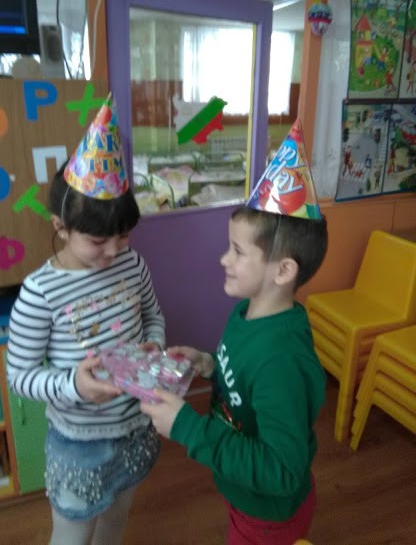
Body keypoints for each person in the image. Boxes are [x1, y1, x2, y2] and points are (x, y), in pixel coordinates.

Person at [141, 120, 328, 545]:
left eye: (238, 251)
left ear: (283, 270)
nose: (224, 259)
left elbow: (282, 471)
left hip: (268, 517)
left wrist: (188, 427)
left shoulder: (281, 360)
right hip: (245, 496)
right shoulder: (246, 312)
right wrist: (208, 363)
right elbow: (243, 374)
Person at [6, 99, 165, 545]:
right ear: (60, 226)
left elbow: (153, 315)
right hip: (79, 442)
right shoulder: (40, 292)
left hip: (135, 425)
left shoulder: (132, 263)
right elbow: (19, 377)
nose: (113, 250)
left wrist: (153, 345)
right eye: (97, 240)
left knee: (115, 520)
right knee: (73, 536)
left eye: (123, 235)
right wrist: (74, 385)